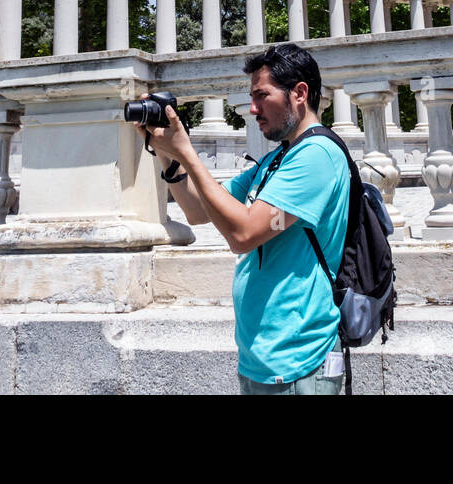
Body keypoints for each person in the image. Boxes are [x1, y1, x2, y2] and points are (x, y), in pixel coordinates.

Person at [136, 43, 350, 395]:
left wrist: (187, 150)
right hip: (263, 360)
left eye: (262, 96)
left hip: (299, 364)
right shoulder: (276, 160)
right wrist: (167, 154)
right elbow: (198, 210)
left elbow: (243, 235)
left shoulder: (318, 156)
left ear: (299, 93)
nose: (252, 109)